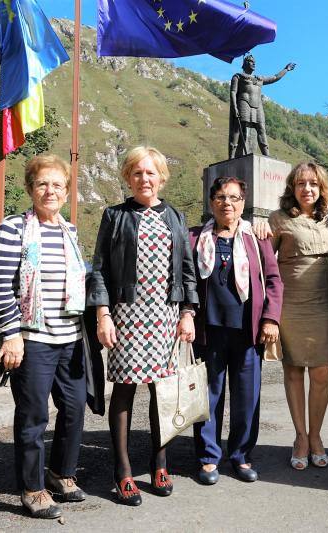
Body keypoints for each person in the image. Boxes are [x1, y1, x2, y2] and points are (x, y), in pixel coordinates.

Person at [88, 146, 198, 506]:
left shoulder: (175, 217)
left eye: (150, 173)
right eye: (137, 173)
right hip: (127, 314)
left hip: (166, 315)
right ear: (127, 177)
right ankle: (122, 471)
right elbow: (100, 269)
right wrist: (103, 314)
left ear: (161, 177)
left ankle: (159, 464)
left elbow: (186, 269)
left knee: (162, 392)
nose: (144, 179)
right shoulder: (115, 216)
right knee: (124, 390)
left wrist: (187, 312)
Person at [0, 154, 89, 519]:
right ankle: (33, 488)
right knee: (33, 415)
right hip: (31, 341)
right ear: (30, 188)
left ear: (66, 192)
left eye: (57, 185)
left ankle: (61, 473)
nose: (50, 190)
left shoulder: (70, 230)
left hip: (70, 338)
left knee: (75, 407)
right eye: (43, 184)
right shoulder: (13, 229)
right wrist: (11, 336)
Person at [188, 177, 283, 485]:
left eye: (233, 197)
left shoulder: (257, 239)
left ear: (243, 202)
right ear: (211, 202)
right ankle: (208, 457)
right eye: (219, 197)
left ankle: (241, 455)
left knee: (247, 397)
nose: (226, 202)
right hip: (209, 330)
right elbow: (185, 281)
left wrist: (271, 318)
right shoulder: (194, 238)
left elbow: (273, 281)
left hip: (247, 332)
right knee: (208, 396)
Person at [268, 162, 328, 470]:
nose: (307, 189)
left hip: (322, 304)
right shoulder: (278, 219)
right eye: (301, 184)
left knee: (321, 374)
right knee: (293, 372)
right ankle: (300, 436)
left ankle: (316, 435)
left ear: (321, 188)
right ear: (293, 187)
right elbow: (265, 261)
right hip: (290, 305)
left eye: (313, 184)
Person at [228, 54, 295, 158]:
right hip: (244, 103)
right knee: (238, 128)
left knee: (261, 129)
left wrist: (286, 69)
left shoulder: (260, 79)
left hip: (258, 106)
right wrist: (234, 107)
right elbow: (233, 92)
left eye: (254, 62)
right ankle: (231, 156)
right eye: (251, 61)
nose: (254, 63)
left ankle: (267, 155)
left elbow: (275, 77)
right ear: (245, 63)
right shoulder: (238, 77)